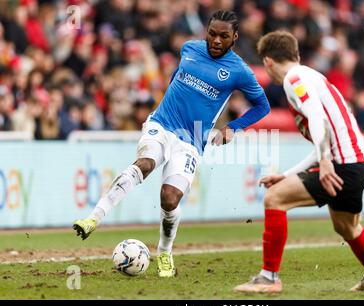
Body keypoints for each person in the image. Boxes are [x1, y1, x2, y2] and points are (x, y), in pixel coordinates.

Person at [73, 10, 270, 278]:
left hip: (191, 140)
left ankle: (164, 252)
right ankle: (94, 218)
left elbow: (263, 106)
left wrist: (233, 128)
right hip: (162, 124)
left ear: (234, 37)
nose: (216, 40)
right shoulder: (189, 48)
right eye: (212, 33)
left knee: (169, 198)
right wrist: (170, 103)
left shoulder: (239, 71)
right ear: (207, 31)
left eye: (224, 36)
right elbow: (177, 76)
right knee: (146, 163)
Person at [233, 30, 364, 293]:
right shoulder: (313, 76)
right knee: (347, 227)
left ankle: (269, 278)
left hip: (342, 164)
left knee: (275, 198)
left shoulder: (294, 79)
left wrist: (326, 161)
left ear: (267, 62)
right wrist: (289, 174)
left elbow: (317, 119)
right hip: (360, 163)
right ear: (295, 54)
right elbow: (325, 135)